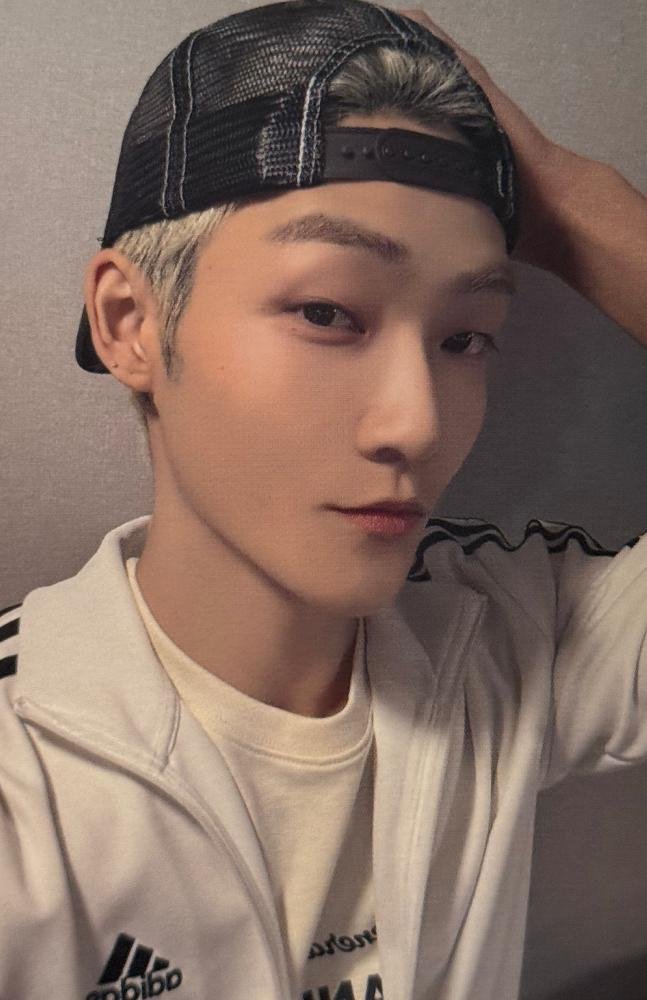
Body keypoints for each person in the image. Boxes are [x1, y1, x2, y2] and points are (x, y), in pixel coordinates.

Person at [1, 2, 645, 998]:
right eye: (327, 311)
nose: (416, 424)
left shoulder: (512, 643)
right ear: (129, 322)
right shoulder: (24, 777)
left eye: (464, 337)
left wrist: (569, 198)